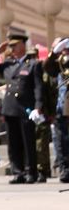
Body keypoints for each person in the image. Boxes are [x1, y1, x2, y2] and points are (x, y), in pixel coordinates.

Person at [0, 33, 44, 184]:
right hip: (10, 108)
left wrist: (38, 107)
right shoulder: (9, 64)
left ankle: (31, 172)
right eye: (11, 45)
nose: (12, 48)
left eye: (14, 45)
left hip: (26, 108)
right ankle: (18, 172)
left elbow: (39, 88)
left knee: (28, 143)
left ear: (22, 45)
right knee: (13, 144)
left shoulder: (33, 64)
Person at [45, 38, 69, 183]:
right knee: (62, 142)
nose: (65, 52)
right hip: (61, 108)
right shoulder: (59, 63)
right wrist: (54, 52)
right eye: (63, 49)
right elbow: (47, 67)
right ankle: (65, 170)